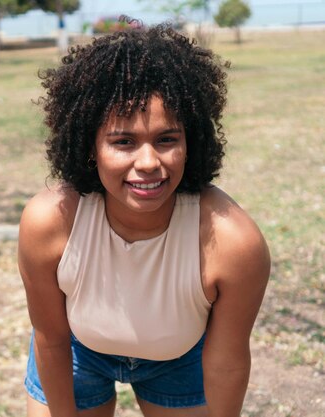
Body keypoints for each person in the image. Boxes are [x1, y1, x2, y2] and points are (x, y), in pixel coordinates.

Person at [18, 19, 270, 417]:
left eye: (167, 139)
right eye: (123, 142)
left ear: (191, 142)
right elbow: (50, 339)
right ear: (90, 147)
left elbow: (227, 362)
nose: (149, 162)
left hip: (181, 356)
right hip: (76, 351)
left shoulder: (233, 241)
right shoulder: (51, 220)